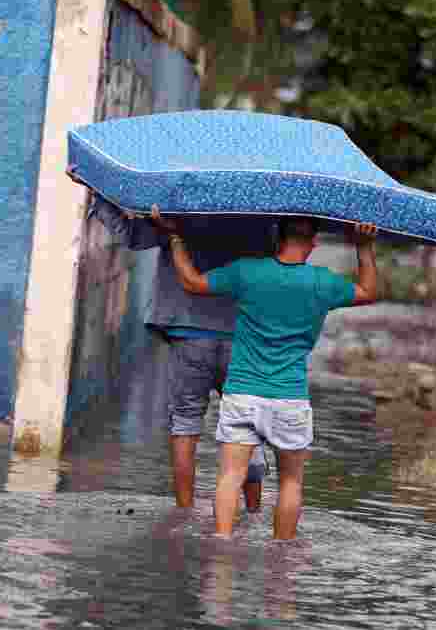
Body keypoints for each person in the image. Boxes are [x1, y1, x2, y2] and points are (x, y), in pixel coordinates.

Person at [159, 209, 378, 540]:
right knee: (291, 482)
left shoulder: (248, 273)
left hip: (242, 394)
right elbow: (367, 292)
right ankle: (282, 560)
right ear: (314, 242)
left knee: (230, 476)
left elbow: (191, 282)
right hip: (290, 397)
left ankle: (221, 548)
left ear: (277, 237)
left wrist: (175, 235)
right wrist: (363, 247)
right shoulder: (322, 282)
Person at [69, 168, 269, 513]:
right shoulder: (263, 214)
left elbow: (132, 236)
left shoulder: (182, 210)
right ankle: (253, 514)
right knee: (248, 426)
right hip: (244, 336)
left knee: (186, 422)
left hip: (188, 331)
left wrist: (96, 192)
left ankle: (184, 512)